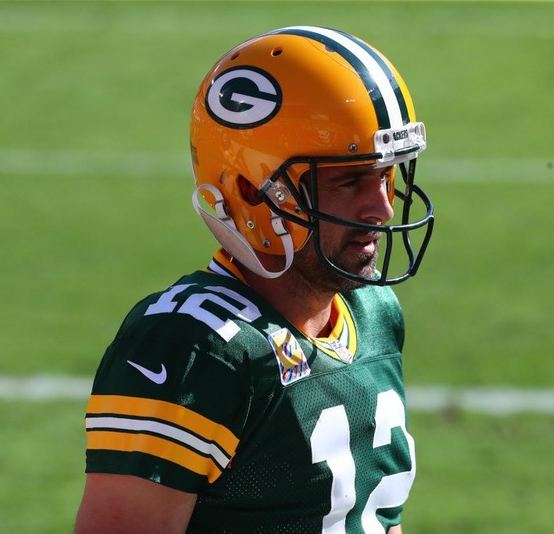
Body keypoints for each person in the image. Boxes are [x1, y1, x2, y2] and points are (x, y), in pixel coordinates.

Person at [74, 25, 434, 534]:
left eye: (385, 174)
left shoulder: (372, 312)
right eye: (350, 180)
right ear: (252, 193)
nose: (379, 206)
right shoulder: (194, 345)